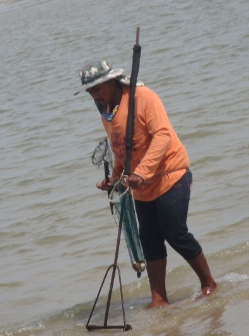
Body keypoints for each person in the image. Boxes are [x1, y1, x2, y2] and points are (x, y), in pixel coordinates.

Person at [75, 59, 217, 309]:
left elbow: (162, 135)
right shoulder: (107, 111)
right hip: (141, 186)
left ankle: (208, 283)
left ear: (111, 82)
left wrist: (142, 171)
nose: (94, 96)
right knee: (149, 239)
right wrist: (116, 178)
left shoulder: (143, 97)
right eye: (90, 92)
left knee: (175, 232)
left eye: (97, 89)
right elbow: (121, 149)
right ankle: (159, 299)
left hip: (170, 175)